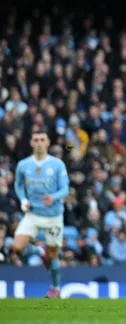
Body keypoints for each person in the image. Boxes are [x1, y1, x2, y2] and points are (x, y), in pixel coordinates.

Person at [12, 127, 70, 299]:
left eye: (42, 140)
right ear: (31, 143)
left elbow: (65, 188)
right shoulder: (23, 165)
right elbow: (18, 185)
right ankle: (39, 251)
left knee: (53, 255)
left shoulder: (57, 164)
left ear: (48, 142)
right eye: (35, 140)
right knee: (17, 247)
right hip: (33, 214)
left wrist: (54, 197)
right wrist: (23, 199)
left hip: (53, 216)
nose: (39, 143)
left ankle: (55, 288)